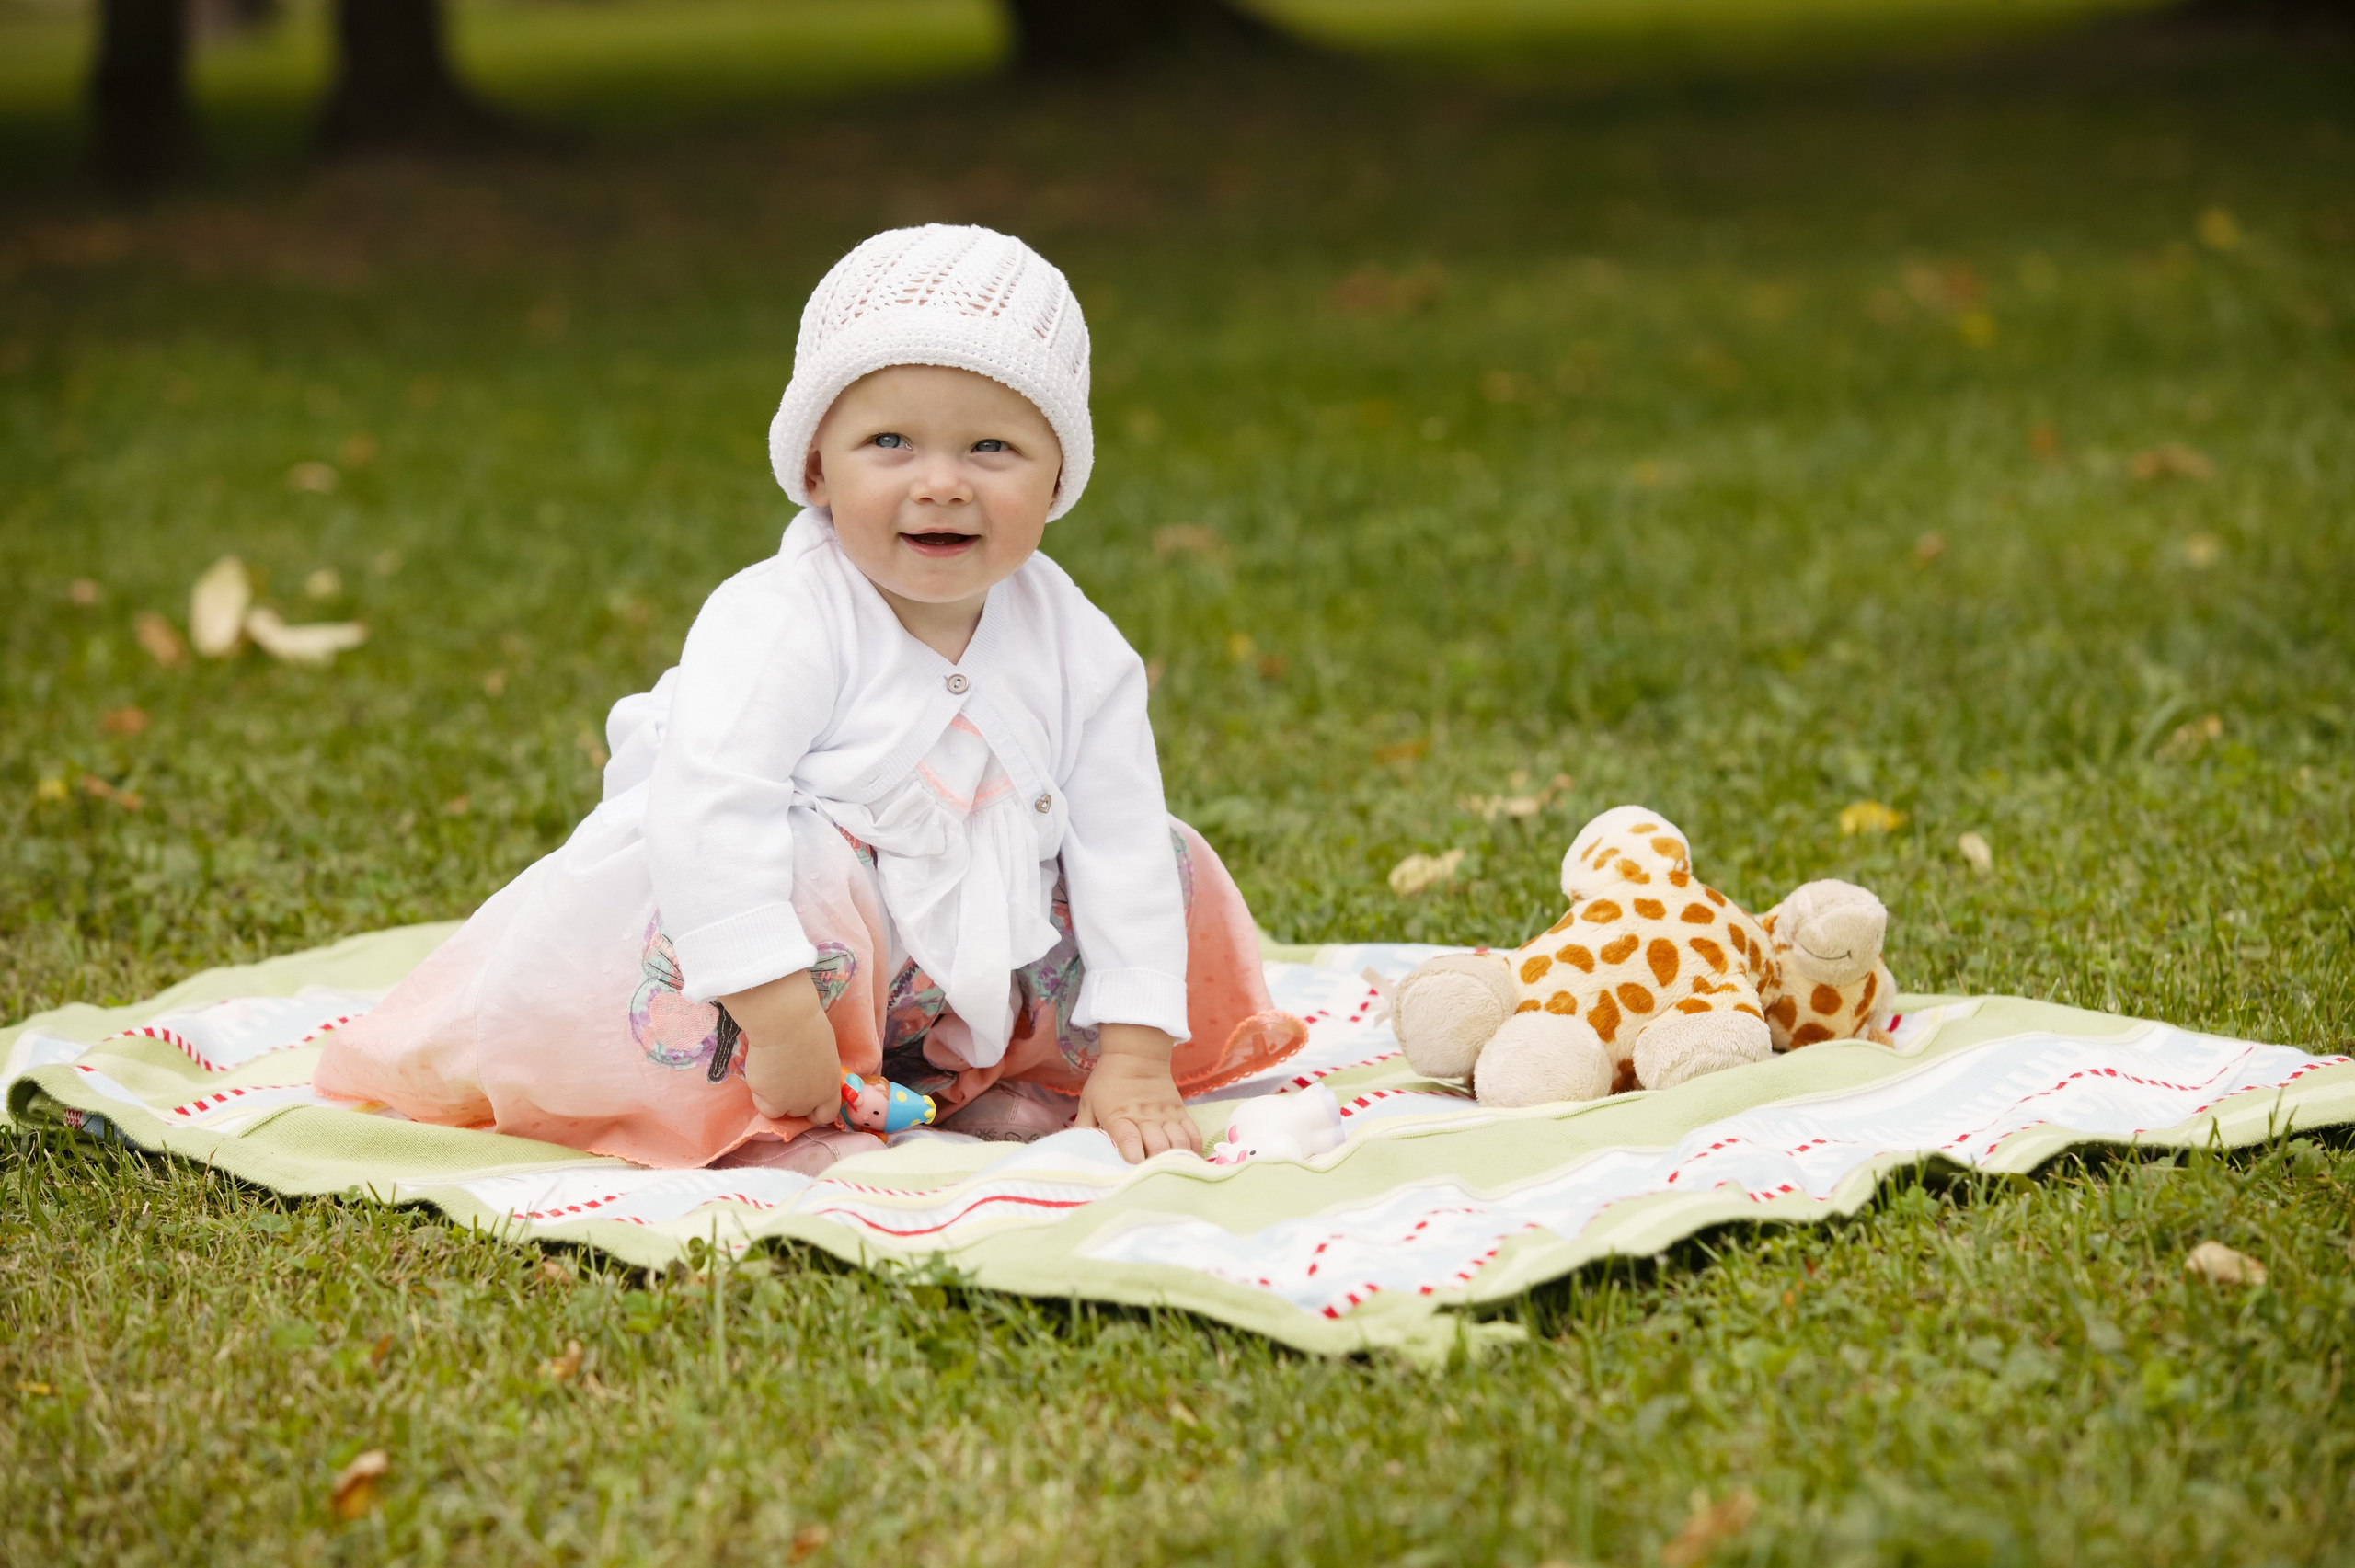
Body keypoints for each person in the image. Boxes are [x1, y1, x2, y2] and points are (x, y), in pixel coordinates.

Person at [315, 225, 1304, 1172]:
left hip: (946, 962)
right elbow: (712, 813)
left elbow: (1118, 838)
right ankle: (783, 1101)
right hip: (763, 952)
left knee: (1160, 853)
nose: (943, 484)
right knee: (798, 867)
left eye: (994, 449)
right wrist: (781, 1019)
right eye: (890, 442)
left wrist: (1133, 1054)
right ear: (817, 467)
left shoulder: (1075, 640)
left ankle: (984, 1073)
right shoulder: (782, 617)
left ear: (1057, 481)